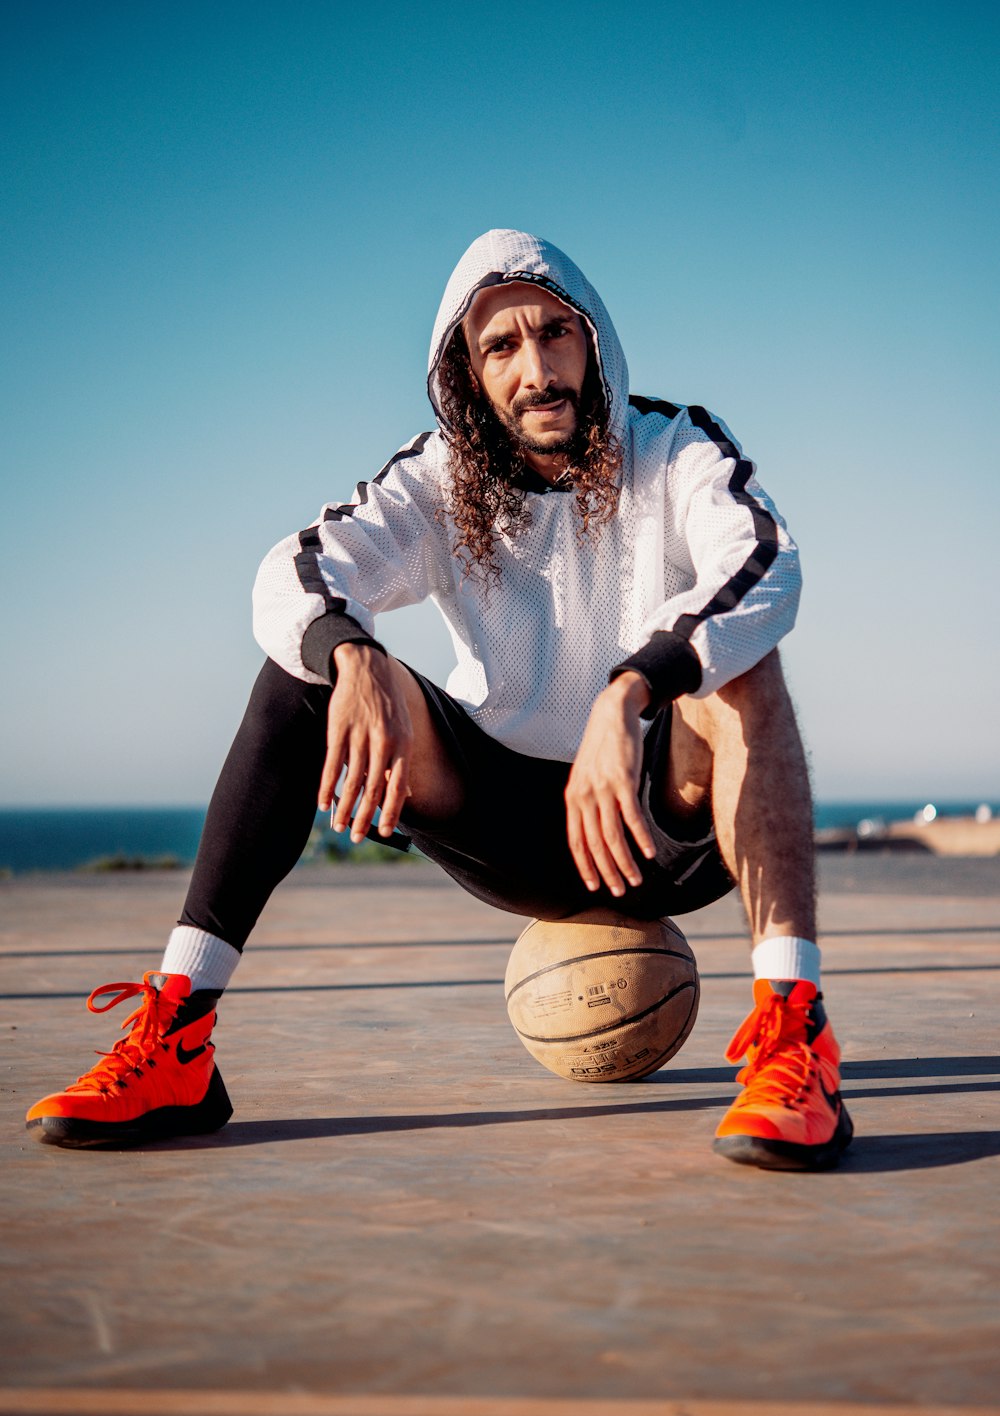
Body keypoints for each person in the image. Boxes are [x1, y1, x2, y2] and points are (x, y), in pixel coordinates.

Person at [26, 229, 853, 1171]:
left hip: (662, 822)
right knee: (303, 668)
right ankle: (179, 1037)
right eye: (501, 347)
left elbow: (762, 565)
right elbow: (293, 571)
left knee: (744, 662)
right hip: (502, 823)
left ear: (596, 341)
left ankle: (794, 1037)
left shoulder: (673, 450)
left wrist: (632, 687)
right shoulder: (438, 476)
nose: (536, 371)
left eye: (554, 334)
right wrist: (352, 655)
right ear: (466, 370)